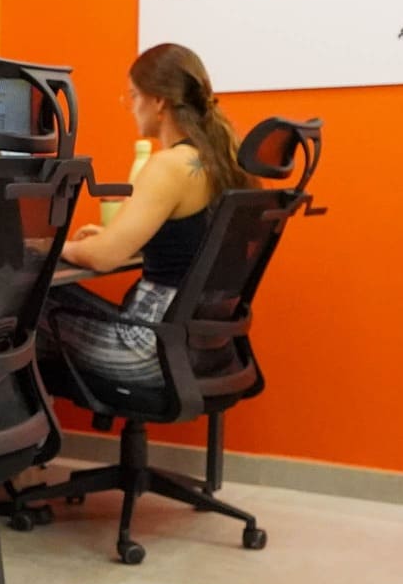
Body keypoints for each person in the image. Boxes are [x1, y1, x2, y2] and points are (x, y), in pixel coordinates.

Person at [40, 42, 252, 396]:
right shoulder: (221, 160)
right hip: (200, 348)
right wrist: (112, 236)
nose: (131, 106)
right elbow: (187, 243)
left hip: (146, 348)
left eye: (134, 96)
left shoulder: (168, 166)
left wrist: (52, 246)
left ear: (158, 102)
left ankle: (11, 430)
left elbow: (102, 258)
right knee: (50, 300)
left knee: (22, 310)